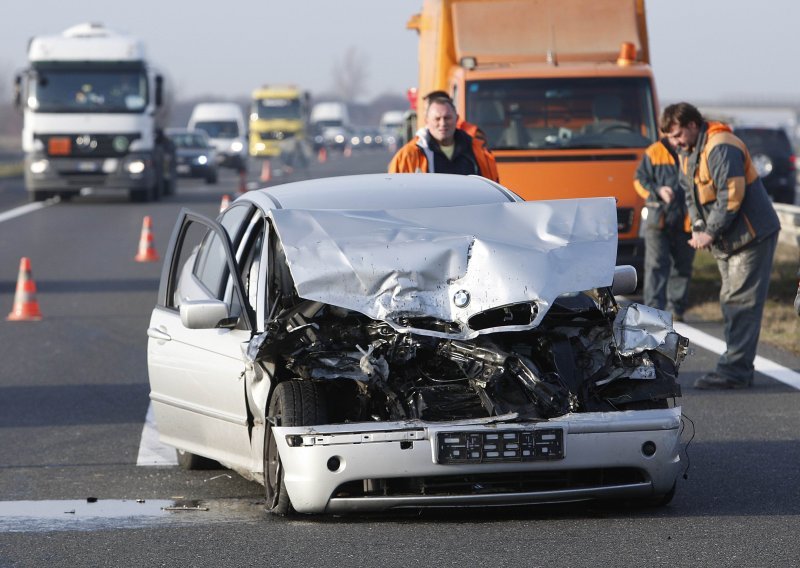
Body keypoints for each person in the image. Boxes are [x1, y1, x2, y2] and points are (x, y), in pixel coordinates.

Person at [661, 102, 781, 389]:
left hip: (751, 237)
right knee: (731, 301)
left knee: (740, 303)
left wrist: (710, 232)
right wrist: (700, 228)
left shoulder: (721, 146)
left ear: (692, 125)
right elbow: (690, 195)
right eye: (670, 138)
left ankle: (735, 372)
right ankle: (736, 366)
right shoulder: (687, 152)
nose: (674, 143)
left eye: (677, 135)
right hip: (729, 239)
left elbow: (731, 195)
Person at [634, 137, 695, 321]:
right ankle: (652, 312)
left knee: (682, 266)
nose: (677, 139)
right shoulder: (654, 152)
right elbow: (639, 180)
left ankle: (676, 310)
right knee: (656, 265)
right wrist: (658, 191)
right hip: (658, 219)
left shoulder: (693, 151)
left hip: (686, 220)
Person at [388, 95, 499, 182]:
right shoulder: (407, 157)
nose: (443, 123)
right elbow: (395, 195)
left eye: (447, 118)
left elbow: (493, 191)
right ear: (427, 121)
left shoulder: (479, 152)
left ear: (457, 118)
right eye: (437, 118)